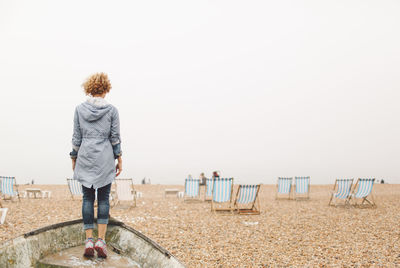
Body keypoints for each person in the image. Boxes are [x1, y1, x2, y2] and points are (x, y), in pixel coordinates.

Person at [70, 73, 122, 258]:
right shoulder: (112, 110)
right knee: (103, 198)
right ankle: (101, 240)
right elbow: (114, 138)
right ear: (106, 89)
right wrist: (119, 157)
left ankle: (89, 240)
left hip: (86, 155)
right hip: (105, 157)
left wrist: (74, 157)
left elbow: (77, 137)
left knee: (87, 198)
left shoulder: (79, 109)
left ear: (89, 89)